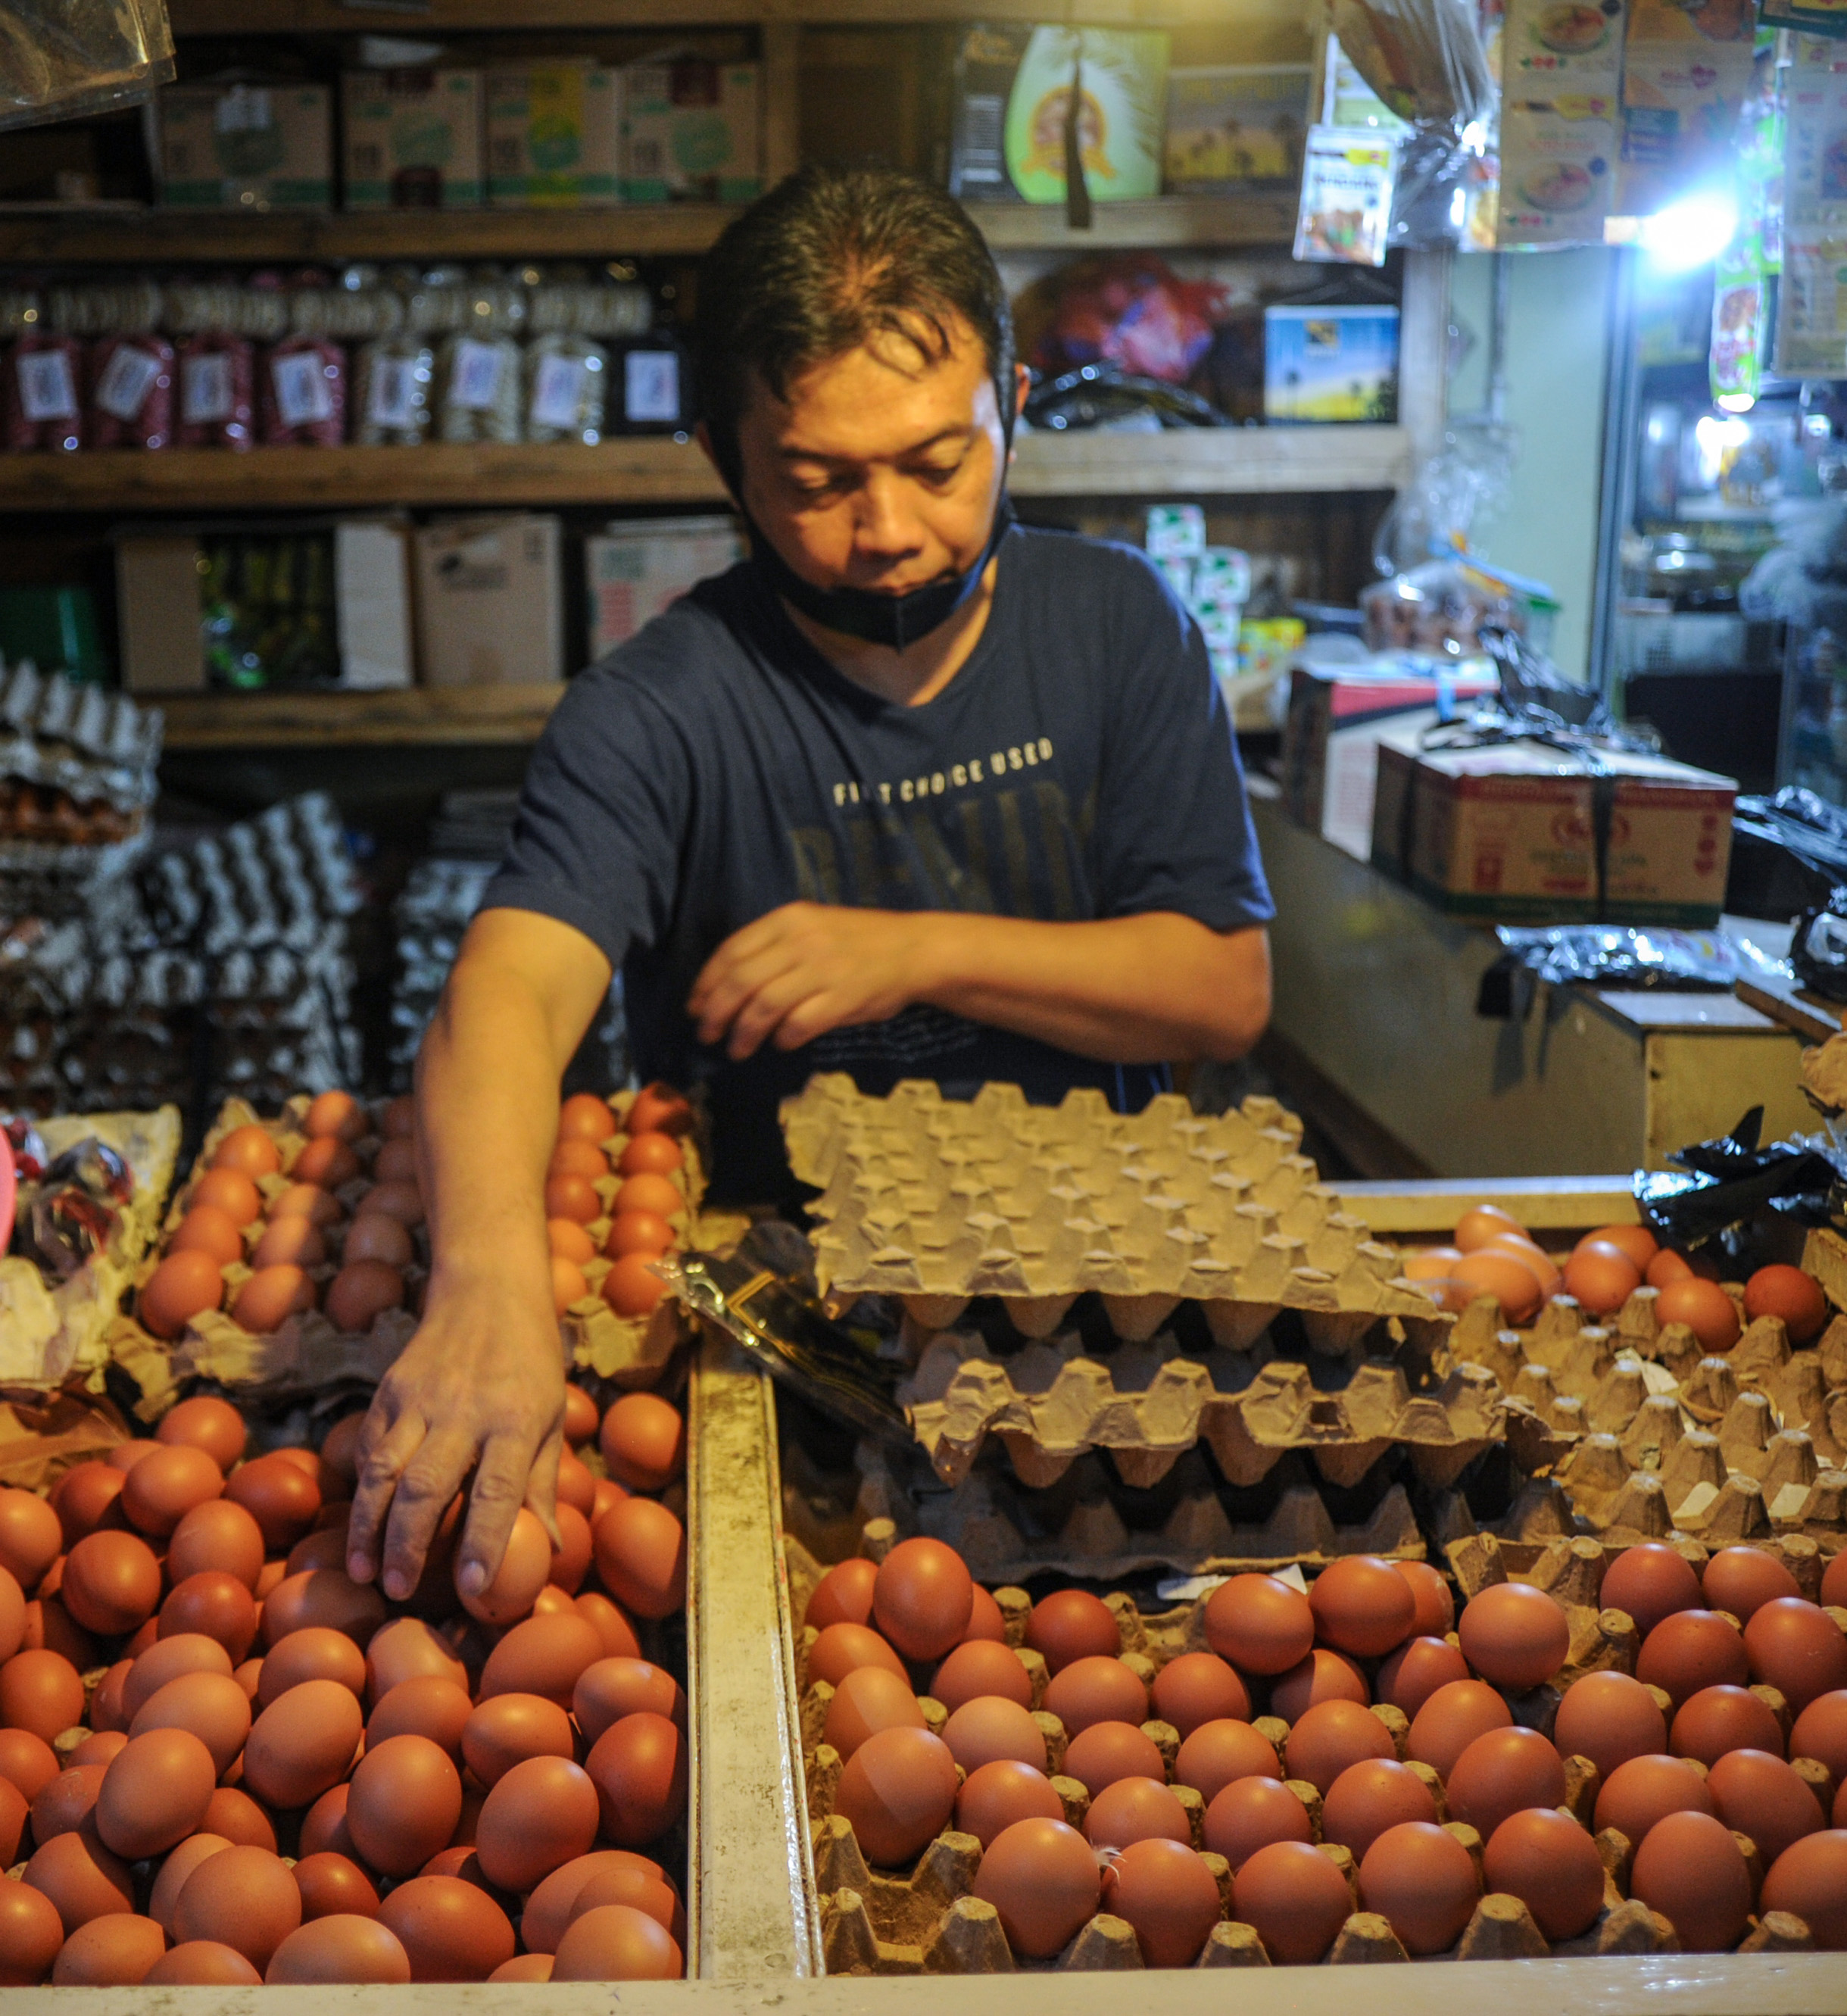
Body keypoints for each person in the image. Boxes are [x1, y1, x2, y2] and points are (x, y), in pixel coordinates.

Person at [344, 165, 1275, 1611]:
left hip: (1103, 1323)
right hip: (792, 1332)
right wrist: (485, 1280)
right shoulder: (660, 707)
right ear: (722, 456)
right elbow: (511, 987)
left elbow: (1219, 984)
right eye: (820, 480)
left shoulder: (1116, 630)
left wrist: (910, 951)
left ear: (1011, 406)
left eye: (939, 460)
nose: (889, 527)